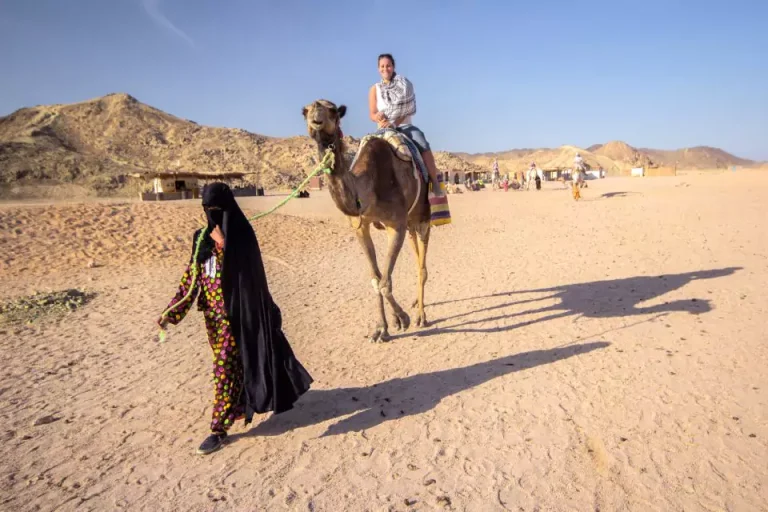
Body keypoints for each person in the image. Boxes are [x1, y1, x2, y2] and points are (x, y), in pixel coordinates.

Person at [157, 182, 313, 455]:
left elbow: (246, 275)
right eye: (207, 209)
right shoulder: (200, 238)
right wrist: (172, 312)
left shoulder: (241, 236)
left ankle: (218, 429)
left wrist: (223, 246)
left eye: (216, 209)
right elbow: (191, 280)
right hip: (213, 321)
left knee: (224, 369)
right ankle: (240, 405)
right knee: (232, 366)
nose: (211, 214)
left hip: (239, 318)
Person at [369, 53, 444, 198]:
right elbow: (372, 113)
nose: (386, 69)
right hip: (383, 129)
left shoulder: (404, 85)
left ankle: (434, 182)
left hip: (404, 127)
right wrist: (377, 117)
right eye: (382, 66)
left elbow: (407, 110)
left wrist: (394, 123)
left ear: (393, 67)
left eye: (388, 66)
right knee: (365, 150)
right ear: (378, 69)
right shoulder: (374, 89)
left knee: (421, 140)